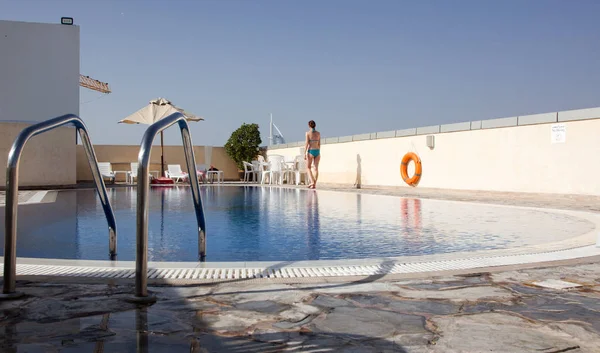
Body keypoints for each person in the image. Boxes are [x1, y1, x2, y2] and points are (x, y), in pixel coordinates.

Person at [304, 120, 321, 189]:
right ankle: (314, 184)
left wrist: (304, 153)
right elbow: (319, 144)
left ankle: (312, 182)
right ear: (315, 125)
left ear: (309, 126)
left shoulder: (308, 133)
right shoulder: (318, 133)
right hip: (317, 151)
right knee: (316, 168)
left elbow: (307, 143)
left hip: (311, 151)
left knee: (308, 167)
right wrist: (318, 151)